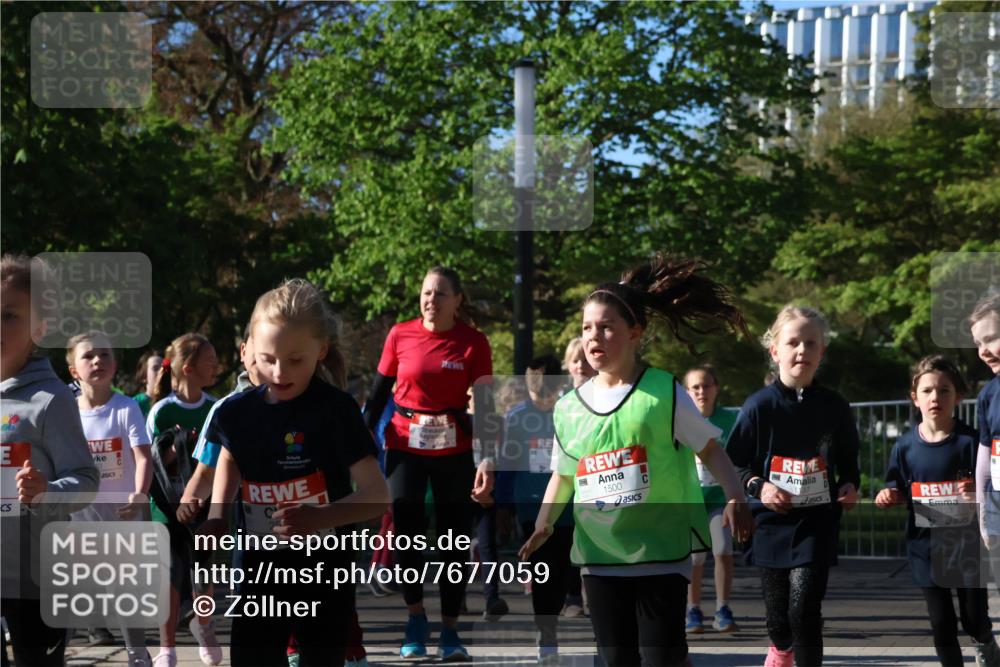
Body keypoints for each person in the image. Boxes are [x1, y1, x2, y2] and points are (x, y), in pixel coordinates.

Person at [519, 254, 755, 667]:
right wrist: (545, 522)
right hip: (600, 555)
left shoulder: (663, 392)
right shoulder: (570, 407)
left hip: (660, 552)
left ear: (635, 333)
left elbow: (710, 450)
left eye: (607, 326)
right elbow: (564, 473)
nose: (595, 336)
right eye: (587, 327)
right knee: (615, 660)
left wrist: (735, 495)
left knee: (662, 659)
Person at [202, 278, 389, 666]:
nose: (279, 371)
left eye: (295, 360)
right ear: (251, 348)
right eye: (268, 358)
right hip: (259, 572)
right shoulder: (234, 413)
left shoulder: (336, 411)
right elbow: (229, 458)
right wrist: (218, 515)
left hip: (324, 572)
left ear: (320, 350)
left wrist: (320, 518)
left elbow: (377, 495)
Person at [362, 266, 498, 661]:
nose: (430, 300)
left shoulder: (473, 342)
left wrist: (487, 460)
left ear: (457, 301)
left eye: (440, 294)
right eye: (425, 292)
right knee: (407, 532)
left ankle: (451, 629)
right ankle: (415, 616)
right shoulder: (400, 334)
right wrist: (359, 448)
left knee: (454, 539)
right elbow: (376, 396)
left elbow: (486, 406)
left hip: (454, 447)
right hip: (405, 443)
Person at [727, 304, 861, 667]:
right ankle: (781, 649)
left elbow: (849, 461)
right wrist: (760, 488)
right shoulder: (758, 407)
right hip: (769, 524)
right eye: (793, 343)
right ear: (776, 351)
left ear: (822, 352)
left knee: (804, 610)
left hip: (817, 522)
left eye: (811, 344)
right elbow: (734, 463)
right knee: (779, 619)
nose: (802, 350)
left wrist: (850, 485)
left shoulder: (834, 406)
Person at [0, 254, 100, 666]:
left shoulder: (51, 399)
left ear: (40, 328)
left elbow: (85, 479)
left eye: (9, 316)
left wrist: (46, 490)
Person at [876, 355, 1000, 666]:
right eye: (928, 390)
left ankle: (986, 645)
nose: (935, 397)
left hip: (969, 548)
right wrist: (889, 494)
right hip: (925, 548)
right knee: (941, 623)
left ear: (958, 396)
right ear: (914, 397)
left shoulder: (972, 442)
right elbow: (898, 487)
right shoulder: (904, 446)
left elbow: (994, 484)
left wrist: (978, 491)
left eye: (944, 390)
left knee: (974, 619)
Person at [66, 332, 154, 666]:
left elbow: (143, 457)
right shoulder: (67, 412)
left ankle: (137, 655)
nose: (97, 361)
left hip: (123, 512)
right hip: (80, 513)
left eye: (104, 354)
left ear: (115, 364)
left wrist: (139, 493)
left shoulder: (126, 407)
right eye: (88, 356)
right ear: (74, 368)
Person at [146, 333, 221, 667]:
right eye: (210, 359)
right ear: (189, 367)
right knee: (171, 575)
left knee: (204, 574)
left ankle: (203, 625)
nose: (216, 365)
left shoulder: (215, 407)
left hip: (203, 504)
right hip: (166, 506)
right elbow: (151, 462)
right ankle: (167, 647)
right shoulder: (162, 412)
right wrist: (174, 449)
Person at [497, 354, 572, 665]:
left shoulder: (569, 414)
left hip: (568, 508)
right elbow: (507, 463)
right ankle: (547, 633)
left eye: (542, 378)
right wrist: (502, 508)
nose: (536, 385)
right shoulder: (515, 417)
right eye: (531, 378)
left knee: (563, 573)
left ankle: (551, 621)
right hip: (530, 507)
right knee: (542, 574)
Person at [683, 364, 741, 634]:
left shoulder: (729, 421)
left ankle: (722, 607)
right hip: (692, 501)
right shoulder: (681, 420)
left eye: (706, 385)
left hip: (719, 499)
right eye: (695, 387)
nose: (701, 391)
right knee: (695, 558)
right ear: (686, 391)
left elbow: (738, 457)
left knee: (721, 549)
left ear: (716, 388)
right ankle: (692, 609)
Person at [559, 338, 595, 617]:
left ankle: (592, 593)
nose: (580, 366)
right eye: (575, 360)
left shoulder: (607, 397)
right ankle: (573, 596)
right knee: (569, 539)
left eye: (585, 359)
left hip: (599, 480)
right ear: (567, 366)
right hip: (569, 478)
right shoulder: (561, 403)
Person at [133, 350, 165, 418]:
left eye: (163, 368)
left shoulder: (173, 402)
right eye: (155, 368)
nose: (161, 371)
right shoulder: (134, 405)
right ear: (144, 376)